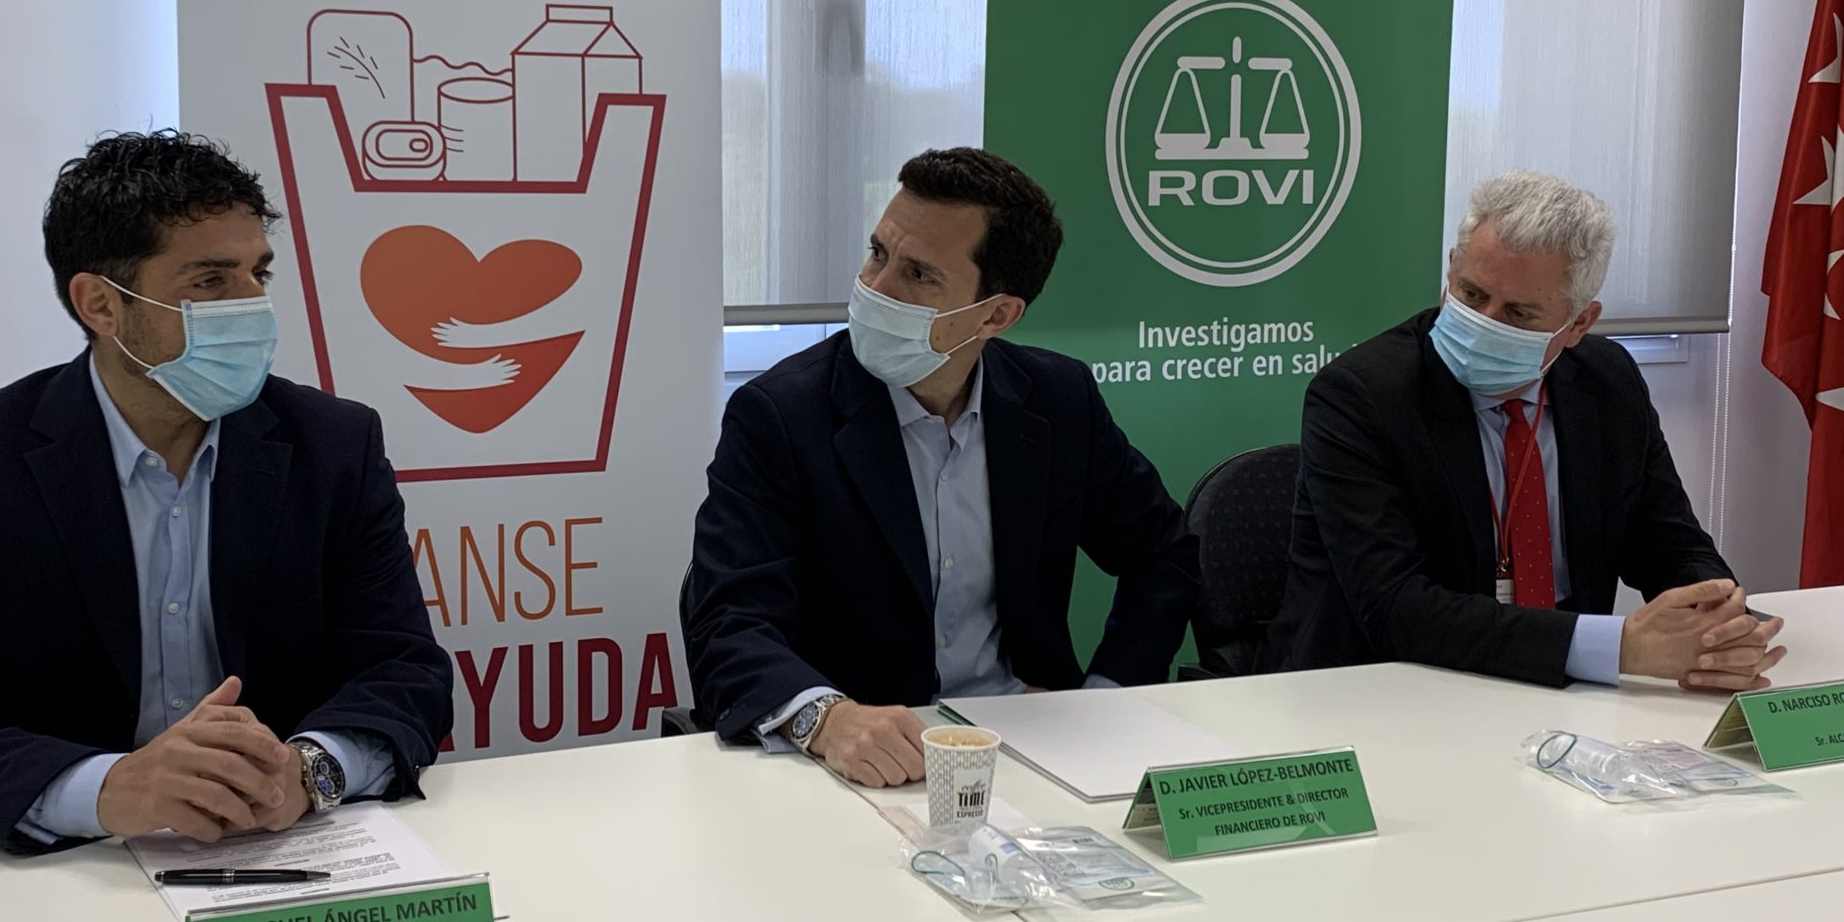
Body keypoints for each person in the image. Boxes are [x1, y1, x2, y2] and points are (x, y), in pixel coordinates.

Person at [0, 132, 453, 853]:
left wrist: (307, 770)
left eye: (258, 273)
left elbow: (404, 671)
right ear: (101, 305)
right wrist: (109, 788)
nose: (252, 306)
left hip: (278, 847)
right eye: (211, 282)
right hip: (64, 868)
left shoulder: (333, 445)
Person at [685, 147, 1201, 788]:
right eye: (878, 253)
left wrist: (1104, 697)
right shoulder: (780, 416)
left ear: (997, 314)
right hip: (858, 760)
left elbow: (1164, 555)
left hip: (1031, 747)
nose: (877, 287)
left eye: (920, 275)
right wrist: (825, 719)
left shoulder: (1058, 402)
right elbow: (728, 621)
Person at [1264, 172, 1786, 689]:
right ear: (1452, 268)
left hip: (1562, 683)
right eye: (1471, 294)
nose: (1484, 323)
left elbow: (1669, 543)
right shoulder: (1361, 396)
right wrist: (1618, 648)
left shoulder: (1609, 383)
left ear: (1579, 324)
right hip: (1387, 687)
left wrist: (1717, 625)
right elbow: (1396, 608)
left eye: (1518, 313)